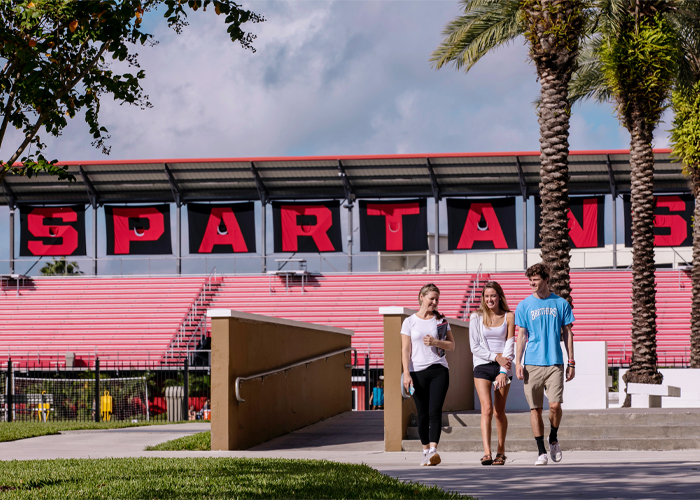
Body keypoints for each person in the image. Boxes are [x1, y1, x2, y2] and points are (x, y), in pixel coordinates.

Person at [515, 263, 575, 466]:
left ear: (546, 279)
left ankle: (554, 437)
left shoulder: (561, 304)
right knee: (535, 409)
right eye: (530, 280)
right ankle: (541, 451)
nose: (532, 283)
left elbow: (568, 333)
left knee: (555, 406)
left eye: (536, 279)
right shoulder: (524, 305)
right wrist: (518, 362)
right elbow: (521, 335)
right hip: (532, 363)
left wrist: (571, 361)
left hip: (555, 363)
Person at [401, 283, 455, 467]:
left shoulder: (440, 320)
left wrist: (435, 341)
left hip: (439, 369)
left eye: (437, 299)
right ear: (422, 297)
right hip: (416, 372)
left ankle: (433, 450)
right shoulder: (409, 322)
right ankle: (425, 451)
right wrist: (406, 373)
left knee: (435, 410)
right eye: (431, 298)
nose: (434, 302)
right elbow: (405, 349)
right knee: (422, 414)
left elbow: (452, 345)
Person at [469, 281, 515, 466]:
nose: (490, 299)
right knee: (486, 408)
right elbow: (474, 347)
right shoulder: (475, 317)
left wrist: (503, 370)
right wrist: (496, 357)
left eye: (493, 296)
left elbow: (510, 344)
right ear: (483, 298)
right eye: (486, 296)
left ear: (499, 297)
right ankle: (486, 452)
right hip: (482, 366)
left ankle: (501, 452)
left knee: (499, 412)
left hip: (502, 368)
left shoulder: (509, 316)